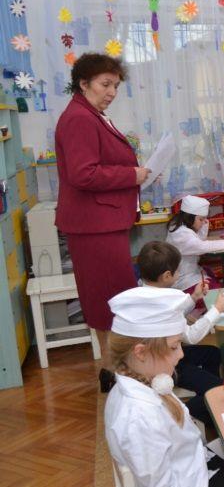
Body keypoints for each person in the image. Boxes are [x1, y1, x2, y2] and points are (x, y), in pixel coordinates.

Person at [105, 285, 224, 487]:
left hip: (194, 466)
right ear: (141, 352)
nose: (181, 354)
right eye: (174, 347)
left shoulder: (138, 383)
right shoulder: (140, 418)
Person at [54, 53, 151, 391]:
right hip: (95, 225)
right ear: (84, 83)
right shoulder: (80, 118)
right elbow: (84, 174)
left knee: (107, 298)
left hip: (100, 223)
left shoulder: (90, 115)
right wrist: (131, 175)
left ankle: (113, 370)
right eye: (105, 84)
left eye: (116, 86)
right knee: (112, 299)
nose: (111, 92)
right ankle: (118, 372)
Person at [109, 241, 224, 428]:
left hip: (157, 355)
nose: (179, 273)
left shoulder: (144, 292)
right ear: (167, 275)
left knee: (212, 354)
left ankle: (205, 396)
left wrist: (193, 298)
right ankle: (193, 410)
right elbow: (190, 336)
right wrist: (217, 310)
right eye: (178, 271)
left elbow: (171, 318)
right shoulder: (165, 302)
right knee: (219, 389)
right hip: (163, 362)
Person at [166, 195, 224, 315]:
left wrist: (203, 225)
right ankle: (195, 312)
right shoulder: (181, 234)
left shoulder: (180, 226)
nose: (203, 222)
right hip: (182, 280)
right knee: (215, 293)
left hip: (188, 272)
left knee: (211, 277)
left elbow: (198, 241)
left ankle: (201, 310)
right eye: (201, 220)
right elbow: (201, 247)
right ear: (189, 217)